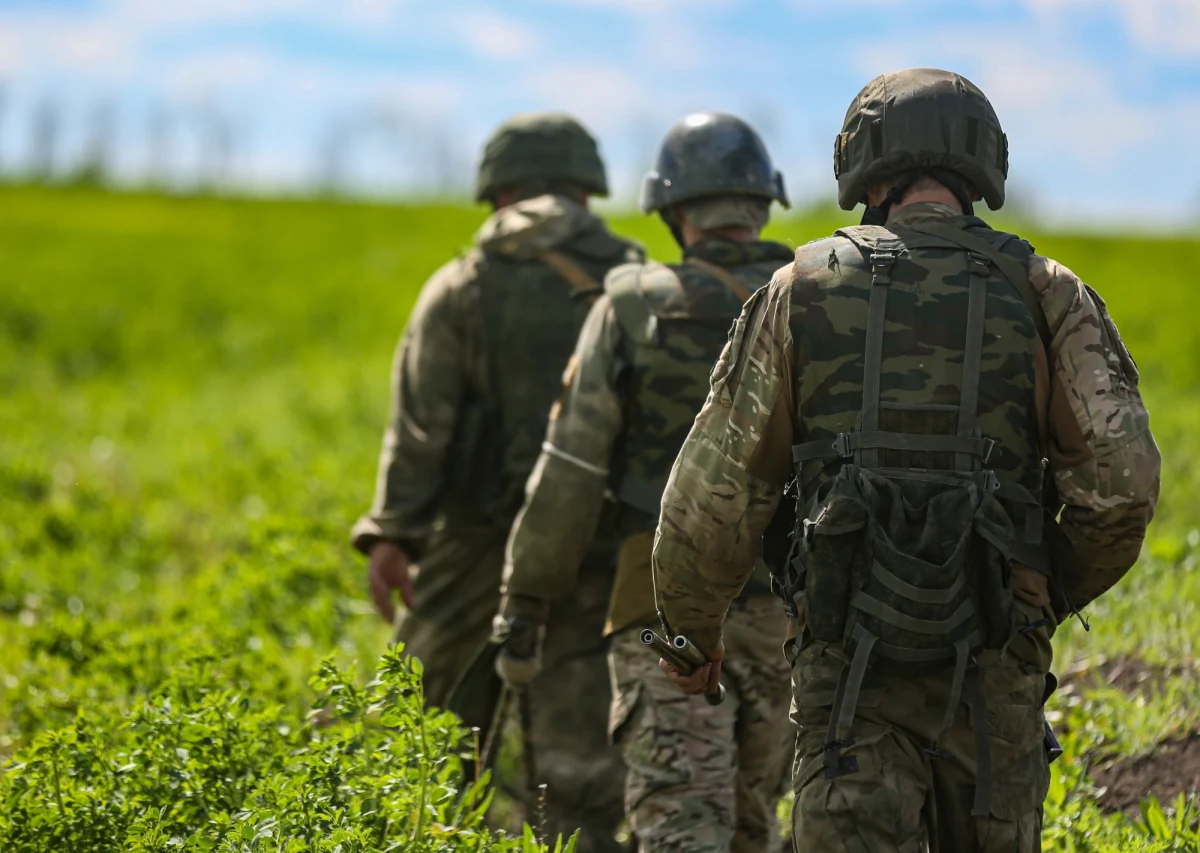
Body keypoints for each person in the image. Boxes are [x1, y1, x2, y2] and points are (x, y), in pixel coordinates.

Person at [652, 69, 1161, 852]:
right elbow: (1121, 486)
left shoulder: (801, 288)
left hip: (848, 673)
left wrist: (692, 632)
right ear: (981, 163)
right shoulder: (1047, 291)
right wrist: (1033, 592)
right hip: (995, 676)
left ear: (866, 164)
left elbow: (715, 491)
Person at [494, 112, 796, 853]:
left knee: (679, 828)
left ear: (671, 211)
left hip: (660, 608)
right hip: (795, 612)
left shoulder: (632, 304)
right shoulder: (819, 297)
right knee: (751, 825)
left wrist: (526, 602)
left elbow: (569, 470)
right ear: (761, 204)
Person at [350, 111, 642, 852]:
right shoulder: (640, 279)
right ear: (586, 188)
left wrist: (393, 535)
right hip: (603, 551)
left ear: (498, 191)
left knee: (415, 731)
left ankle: (436, 835)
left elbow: (421, 429)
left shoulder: (461, 285)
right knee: (582, 766)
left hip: (481, 544)